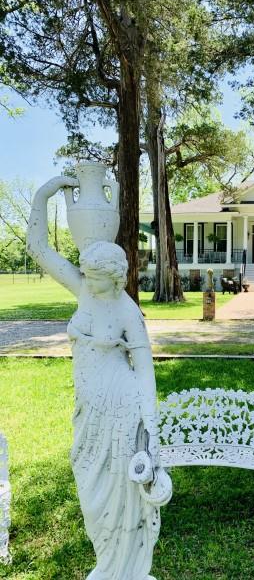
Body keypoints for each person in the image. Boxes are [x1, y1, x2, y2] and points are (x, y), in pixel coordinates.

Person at [27, 176, 170, 580]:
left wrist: (150, 423)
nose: (84, 280)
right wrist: (42, 196)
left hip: (121, 410)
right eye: (84, 274)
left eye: (93, 276)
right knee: (90, 492)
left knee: (122, 495)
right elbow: (39, 250)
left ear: (113, 277)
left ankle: (125, 569)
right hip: (88, 410)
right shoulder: (85, 289)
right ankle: (107, 566)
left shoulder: (127, 313)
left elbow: (144, 372)